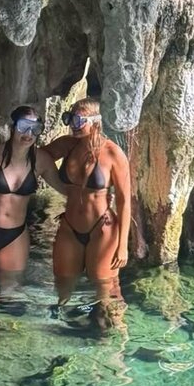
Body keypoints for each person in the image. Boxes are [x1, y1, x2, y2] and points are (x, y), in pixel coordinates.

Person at [0, 105, 65, 324]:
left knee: (11, 289)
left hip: (16, 234)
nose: (28, 134)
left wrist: (98, 193)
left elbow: (64, 189)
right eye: (24, 127)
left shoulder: (42, 160)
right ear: (12, 127)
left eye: (35, 129)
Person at [45, 97, 131, 310]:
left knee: (106, 290)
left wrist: (122, 246)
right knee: (62, 286)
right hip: (69, 227)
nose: (72, 126)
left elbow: (124, 201)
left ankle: (118, 329)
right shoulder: (66, 145)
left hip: (102, 229)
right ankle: (60, 323)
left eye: (78, 121)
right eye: (70, 119)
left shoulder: (113, 153)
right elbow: (33, 156)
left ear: (95, 122)